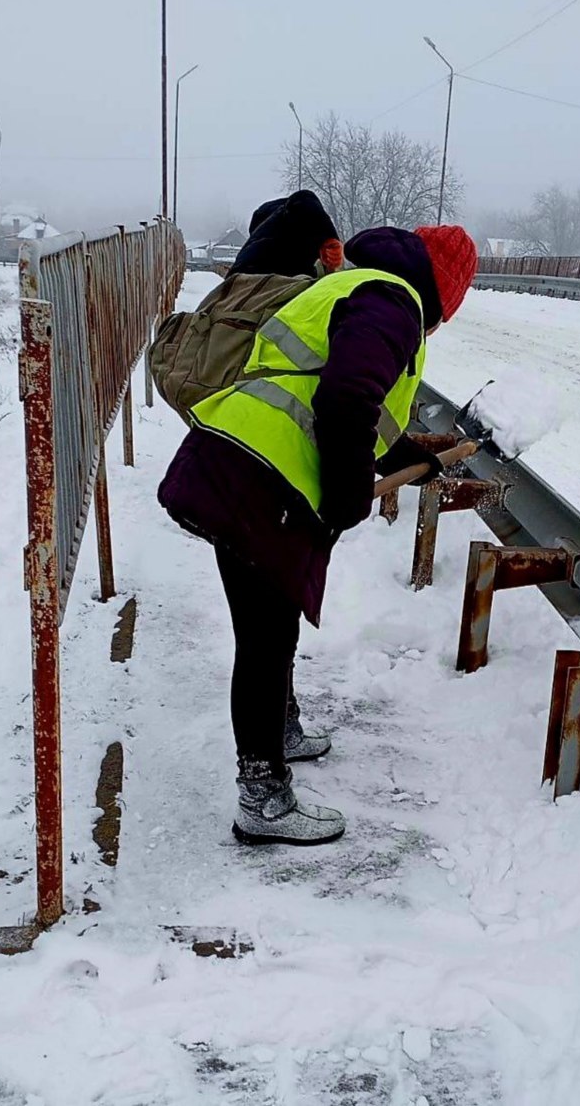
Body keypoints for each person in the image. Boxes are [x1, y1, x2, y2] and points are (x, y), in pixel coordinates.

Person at [158, 219, 478, 845]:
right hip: (260, 479)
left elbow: (340, 398)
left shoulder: (355, 287)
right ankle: (264, 799)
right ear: (443, 290)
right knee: (265, 640)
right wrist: (350, 492)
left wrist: (414, 456)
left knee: (265, 632)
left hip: (236, 461)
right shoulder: (393, 302)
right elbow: (345, 400)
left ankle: (278, 736)